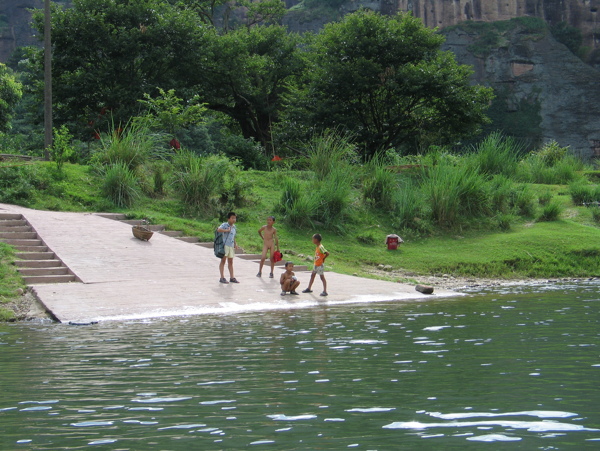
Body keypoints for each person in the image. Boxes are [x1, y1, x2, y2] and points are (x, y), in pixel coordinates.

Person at [217, 212, 239, 284]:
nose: (234, 219)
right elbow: (218, 229)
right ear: (228, 218)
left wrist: (235, 244)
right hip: (225, 245)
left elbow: (233, 237)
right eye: (232, 218)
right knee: (223, 261)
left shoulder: (234, 227)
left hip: (231, 246)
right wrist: (226, 230)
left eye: (235, 218)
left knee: (230, 261)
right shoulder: (225, 225)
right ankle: (222, 277)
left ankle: (232, 277)